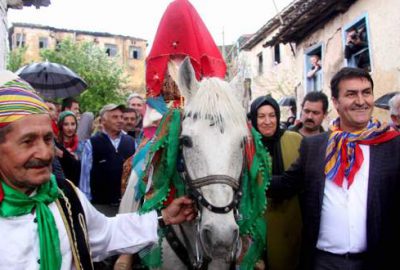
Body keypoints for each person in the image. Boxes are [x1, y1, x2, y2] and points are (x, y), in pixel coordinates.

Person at [0, 73, 196, 270]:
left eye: (48, 139)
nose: (44, 153)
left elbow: (107, 233)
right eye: (28, 142)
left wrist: (164, 217)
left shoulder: (65, 197)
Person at [269, 67, 400, 270]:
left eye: (366, 92)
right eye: (351, 94)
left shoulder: (392, 145)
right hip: (323, 262)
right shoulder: (315, 146)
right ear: (336, 103)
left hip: (377, 261)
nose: (361, 100)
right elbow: (285, 184)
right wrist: (245, 174)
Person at [249, 95, 303, 270]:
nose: (267, 121)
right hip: (257, 226)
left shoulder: (295, 140)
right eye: (261, 116)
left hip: (290, 222)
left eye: (272, 115)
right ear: (254, 119)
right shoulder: (247, 146)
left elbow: (302, 178)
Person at [79, 104, 136, 217]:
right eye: (115, 117)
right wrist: (86, 204)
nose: (120, 120)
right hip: (101, 207)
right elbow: (85, 177)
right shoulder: (92, 143)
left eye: (121, 117)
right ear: (103, 120)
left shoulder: (131, 142)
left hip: (127, 206)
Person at [56, 111, 82, 186]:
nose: (70, 128)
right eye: (66, 124)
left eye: (73, 124)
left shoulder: (82, 145)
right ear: (61, 125)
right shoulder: (57, 145)